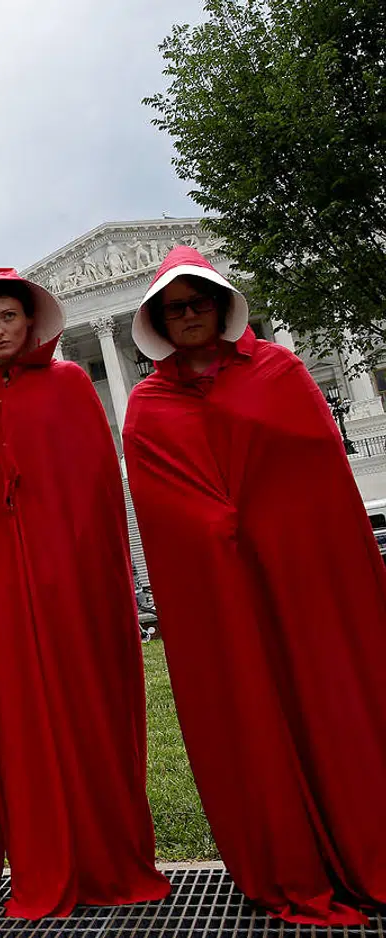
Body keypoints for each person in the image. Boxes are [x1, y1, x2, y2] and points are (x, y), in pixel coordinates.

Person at [123, 245, 386, 925]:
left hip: (300, 577)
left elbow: (317, 477)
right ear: (158, 320)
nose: (188, 316)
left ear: (220, 306)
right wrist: (217, 526)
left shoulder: (280, 370)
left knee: (328, 697)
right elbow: (162, 502)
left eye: (197, 302)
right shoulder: (147, 403)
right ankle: (286, 854)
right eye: (173, 309)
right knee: (249, 705)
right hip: (221, 587)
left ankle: (366, 838)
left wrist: (269, 526)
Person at [0, 268, 169, 918]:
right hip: (2, 600)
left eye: (8, 317)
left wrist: (90, 579)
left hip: (74, 589)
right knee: (20, 726)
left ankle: (109, 857)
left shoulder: (70, 386)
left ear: (30, 320)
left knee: (90, 711)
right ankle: (44, 862)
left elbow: (98, 498)